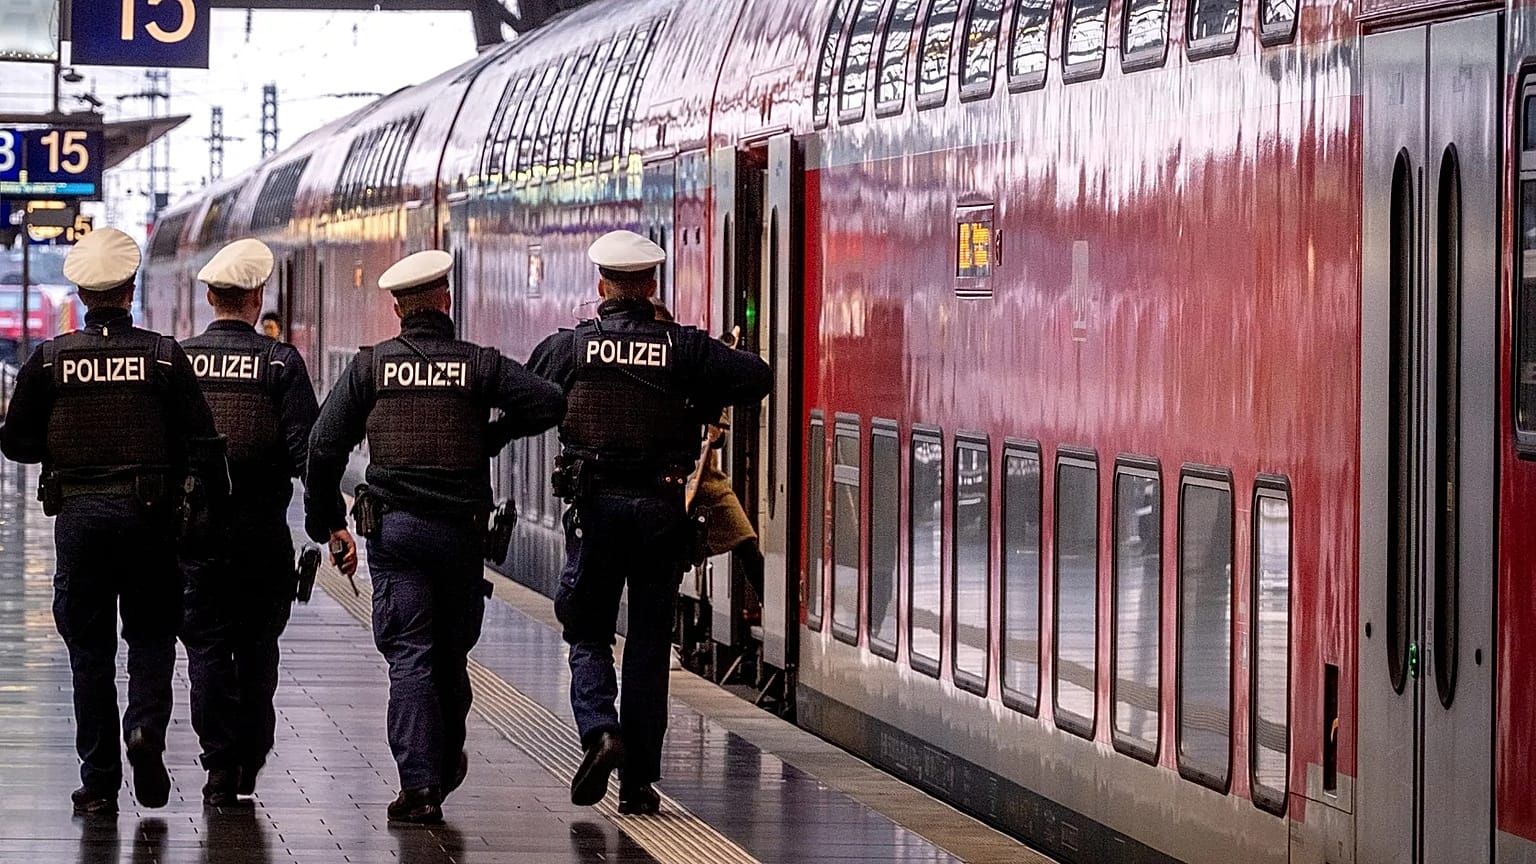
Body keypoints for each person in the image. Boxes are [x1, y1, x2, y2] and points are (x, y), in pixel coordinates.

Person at [304, 249, 565, 824]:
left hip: (395, 534)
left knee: (411, 658)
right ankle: (443, 757)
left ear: (397, 307)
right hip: (461, 536)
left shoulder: (372, 367)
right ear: (446, 299)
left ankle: (420, 786)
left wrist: (329, 524)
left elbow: (322, 446)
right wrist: (494, 434)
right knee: (449, 656)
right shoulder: (480, 365)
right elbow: (549, 402)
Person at [527, 230, 770, 814]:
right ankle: (638, 781)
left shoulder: (573, 347)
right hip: (662, 516)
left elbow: (529, 391)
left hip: (595, 512)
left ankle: (599, 731)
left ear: (601, 285)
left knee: (586, 629)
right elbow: (756, 376)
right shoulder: (683, 348)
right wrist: (699, 390)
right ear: (653, 285)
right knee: (647, 646)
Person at [0, 228, 228, 816]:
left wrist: (62, 447)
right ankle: (146, 730)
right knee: (151, 634)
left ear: (79, 292)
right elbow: (203, 442)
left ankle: (99, 781)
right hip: (151, 519)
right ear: (130, 290)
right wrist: (213, 514)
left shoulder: (49, 361)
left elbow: (15, 443)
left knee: (89, 649)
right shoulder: (163, 357)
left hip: (78, 520)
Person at [178, 238, 339, 806]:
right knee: (257, 649)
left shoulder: (180, 359)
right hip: (260, 533)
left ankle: (219, 763)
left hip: (193, 532)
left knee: (204, 650)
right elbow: (309, 454)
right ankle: (251, 748)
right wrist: (330, 524)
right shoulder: (280, 362)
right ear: (257, 297)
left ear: (208, 296)